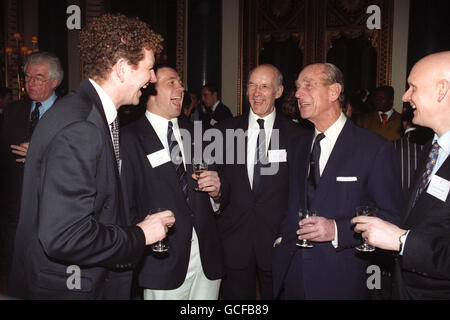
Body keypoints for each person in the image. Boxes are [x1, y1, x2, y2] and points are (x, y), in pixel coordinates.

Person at [8, 14, 175, 300]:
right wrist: (140, 235)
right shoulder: (81, 127)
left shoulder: (90, 113)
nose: (152, 78)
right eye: (149, 68)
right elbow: (65, 236)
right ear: (122, 69)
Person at [272, 63, 402, 299]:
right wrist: (281, 240)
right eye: (298, 88)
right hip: (291, 274)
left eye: (308, 86)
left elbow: (391, 217)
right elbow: (291, 203)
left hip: (341, 278)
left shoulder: (374, 148)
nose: (298, 94)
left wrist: (337, 230)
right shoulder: (298, 146)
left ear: (334, 92)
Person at [120, 66, 225, 300]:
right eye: (172, 82)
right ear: (150, 91)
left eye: (181, 82)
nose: (181, 88)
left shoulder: (201, 133)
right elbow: (126, 204)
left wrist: (217, 195)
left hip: (207, 257)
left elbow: (217, 196)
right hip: (162, 259)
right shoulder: (129, 139)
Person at [352, 51, 450, 299]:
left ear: (442, 90)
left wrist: (402, 241)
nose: (405, 97)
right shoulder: (433, 147)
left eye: (413, 87)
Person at [216, 64, 306, 299]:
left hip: (278, 241)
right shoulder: (224, 132)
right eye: (252, 85)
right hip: (234, 240)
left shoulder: (298, 137)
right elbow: (219, 186)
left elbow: (301, 192)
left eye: (265, 86)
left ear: (278, 91)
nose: (257, 93)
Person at [0, 52, 63, 292]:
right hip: (13, 209)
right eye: (27, 77)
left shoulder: (68, 113)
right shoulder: (12, 111)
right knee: (16, 273)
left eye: (39, 77)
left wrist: (39, 155)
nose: (30, 83)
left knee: (46, 278)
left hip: (50, 209)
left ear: (55, 82)